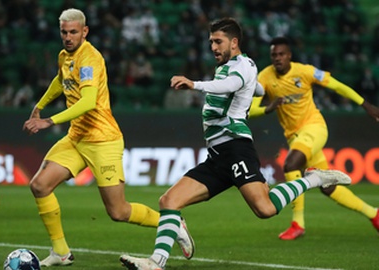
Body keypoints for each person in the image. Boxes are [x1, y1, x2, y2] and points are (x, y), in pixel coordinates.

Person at [119, 18, 351, 270]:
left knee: (265, 209)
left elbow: (231, 85)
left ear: (234, 42)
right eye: (211, 42)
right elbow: (257, 89)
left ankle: (314, 179)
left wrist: (194, 84)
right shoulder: (236, 66)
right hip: (217, 155)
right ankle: (156, 262)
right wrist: (256, 87)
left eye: (218, 41)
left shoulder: (240, 66)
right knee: (169, 201)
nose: (213, 47)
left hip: (235, 147)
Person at [21, 8, 193, 267]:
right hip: (77, 138)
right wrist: (40, 104)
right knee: (40, 185)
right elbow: (61, 80)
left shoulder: (89, 59)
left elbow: (89, 101)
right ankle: (61, 252)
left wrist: (48, 120)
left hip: (103, 140)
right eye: (64, 32)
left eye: (73, 32)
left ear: (85, 31)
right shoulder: (64, 56)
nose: (68, 37)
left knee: (118, 211)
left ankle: (171, 223)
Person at [249, 36, 379, 240]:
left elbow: (337, 86)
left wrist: (365, 105)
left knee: (291, 165)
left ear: (289, 55)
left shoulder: (305, 71)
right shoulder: (265, 77)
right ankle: (374, 214)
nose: (277, 58)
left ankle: (297, 223)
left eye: (281, 54)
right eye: (274, 55)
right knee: (329, 187)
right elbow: (250, 110)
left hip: (314, 127)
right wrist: (268, 108)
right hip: (295, 137)